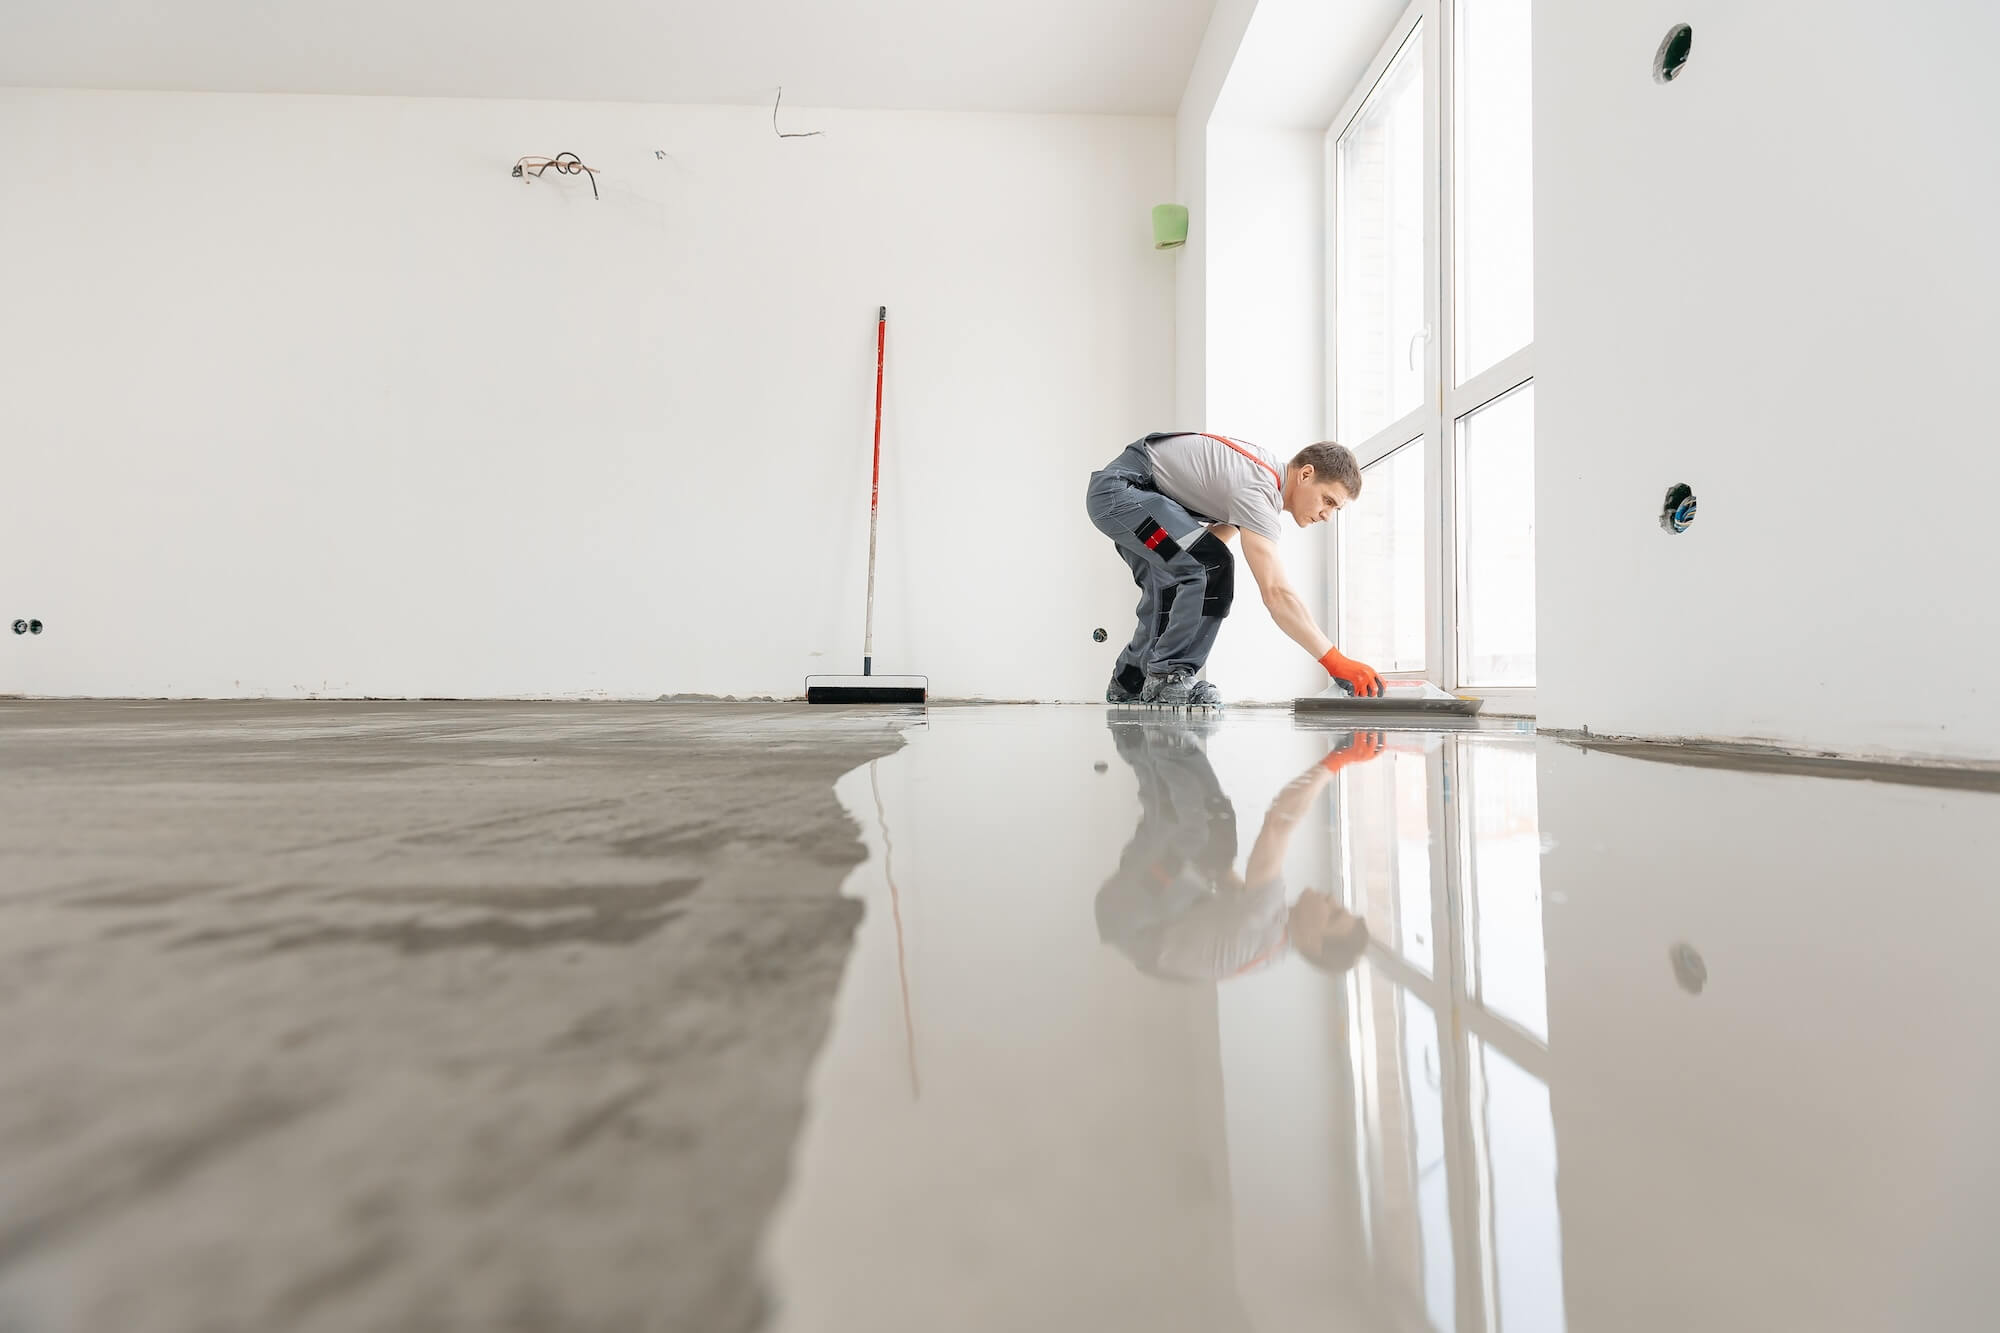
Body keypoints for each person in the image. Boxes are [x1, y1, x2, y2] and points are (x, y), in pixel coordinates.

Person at [1085, 432, 1384, 706]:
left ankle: (1130, 681)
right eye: (1327, 500)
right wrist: (1335, 661)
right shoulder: (1259, 490)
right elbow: (1276, 593)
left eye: (1335, 509)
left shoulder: (1257, 478)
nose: (1327, 515)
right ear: (1306, 474)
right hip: (1123, 494)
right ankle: (1168, 678)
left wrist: (1195, 574)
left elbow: (1203, 549)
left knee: (1177, 583)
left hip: (1125, 499)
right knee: (1211, 564)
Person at [1094, 720, 1380, 984]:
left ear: (1314, 943)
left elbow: (1279, 822)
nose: (1331, 900)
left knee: (1200, 833)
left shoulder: (1266, 922)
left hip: (1134, 915)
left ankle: (1162, 739)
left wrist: (1338, 759)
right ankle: (1141, 741)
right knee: (1211, 838)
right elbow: (1225, 882)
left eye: (1333, 914)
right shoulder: (1273, 937)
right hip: (1143, 913)